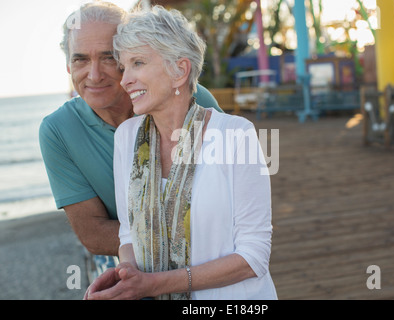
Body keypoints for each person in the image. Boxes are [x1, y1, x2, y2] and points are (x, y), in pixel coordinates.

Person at [84, 5, 277, 300]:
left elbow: (254, 257)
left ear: (180, 71)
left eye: (138, 63)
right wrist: (126, 275)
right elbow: (128, 233)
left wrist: (154, 285)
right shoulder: (126, 138)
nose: (125, 80)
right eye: (124, 67)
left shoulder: (236, 135)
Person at [39, 2, 222, 278]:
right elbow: (94, 234)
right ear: (68, 65)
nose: (94, 74)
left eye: (109, 57)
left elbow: (231, 199)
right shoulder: (58, 130)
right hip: (126, 262)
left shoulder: (191, 99)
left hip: (211, 258)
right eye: (80, 59)